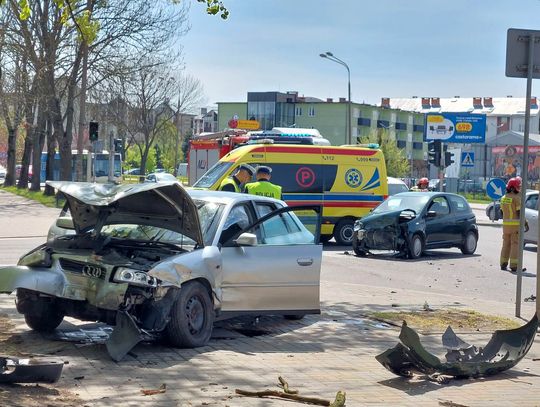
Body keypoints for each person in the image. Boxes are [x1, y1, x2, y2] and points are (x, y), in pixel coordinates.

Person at [500, 177, 527, 271]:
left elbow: (501, 212)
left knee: (505, 244)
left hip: (505, 226)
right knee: (515, 245)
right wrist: (525, 223)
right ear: (516, 187)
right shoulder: (516, 198)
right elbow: (520, 213)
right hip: (515, 226)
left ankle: (503, 263)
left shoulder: (503, 198)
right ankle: (514, 265)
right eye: (519, 186)